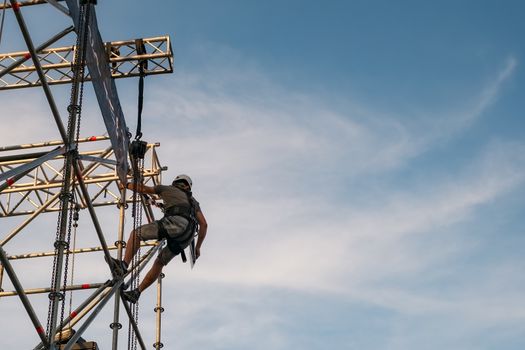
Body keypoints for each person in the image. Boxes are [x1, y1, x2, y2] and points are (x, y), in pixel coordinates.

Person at [111, 174, 208, 303]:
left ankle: (123, 265)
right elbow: (204, 224)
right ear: (188, 187)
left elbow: (144, 189)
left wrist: (126, 185)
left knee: (136, 234)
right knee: (159, 262)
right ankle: (137, 292)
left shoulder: (166, 189)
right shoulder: (193, 202)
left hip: (175, 223)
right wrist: (198, 247)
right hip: (186, 237)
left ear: (175, 182)